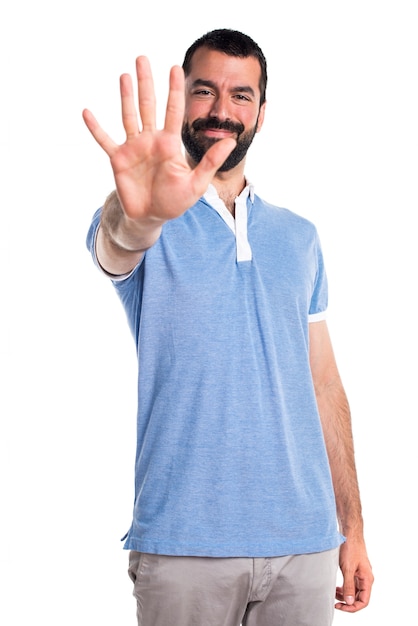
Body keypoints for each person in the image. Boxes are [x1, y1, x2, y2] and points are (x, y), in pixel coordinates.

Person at [83, 28, 373, 626]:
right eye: (205, 90)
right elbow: (118, 246)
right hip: (184, 547)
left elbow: (322, 385)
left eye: (241, 96)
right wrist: (140, 218)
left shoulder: (300, 237)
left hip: (305, 546)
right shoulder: (144, 216)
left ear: (261, 113)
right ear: (183, 98)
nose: (221, 111)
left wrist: (353, 528)